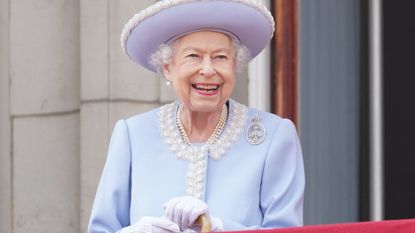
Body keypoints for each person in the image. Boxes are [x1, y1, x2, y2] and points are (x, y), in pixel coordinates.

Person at [88, 1, 305, 233]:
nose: (208, 70)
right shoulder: (132, 135)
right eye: (193, 56)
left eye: (221, 57)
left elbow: (287, 230)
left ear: (235, 65)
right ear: (168, 68)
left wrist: (218, 228)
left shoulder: (274, 136)